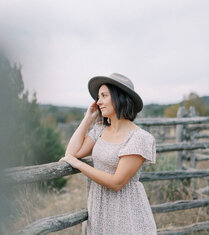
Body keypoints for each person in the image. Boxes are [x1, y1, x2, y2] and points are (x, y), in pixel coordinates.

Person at [59, 73, 157, 235]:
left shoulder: (139, 138)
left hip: (126, 212)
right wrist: (87, 119)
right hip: (100, 207)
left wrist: (78, 164)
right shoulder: (100, 129)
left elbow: (117, 182)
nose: (98, 102)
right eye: (98, 97)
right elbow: (71, 153)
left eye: (104, 96)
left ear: (120, 98)